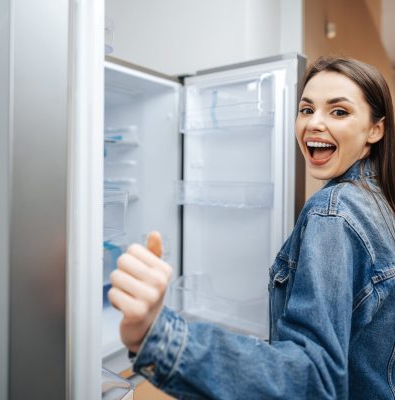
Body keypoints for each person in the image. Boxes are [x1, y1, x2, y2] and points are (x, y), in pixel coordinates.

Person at [108, 56, 395, 399]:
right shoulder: (378, 201)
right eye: (306, 109)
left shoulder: (333, 213)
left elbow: (313, 381)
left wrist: (156, 335)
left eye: (338, 112)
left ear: (375, 129)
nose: (314, 124)